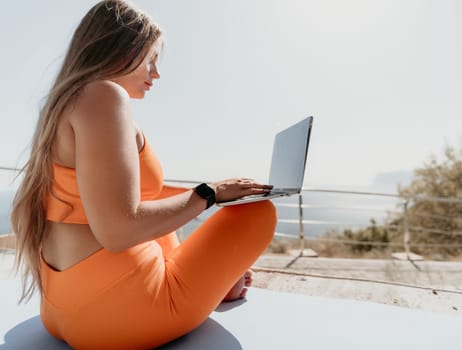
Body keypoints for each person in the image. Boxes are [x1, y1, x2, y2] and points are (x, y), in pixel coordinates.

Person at [10, 1, 278, 348]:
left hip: (62, 307)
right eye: (151, 59)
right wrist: (209, 194)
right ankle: (209, 286)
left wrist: (217, 201)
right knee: (257, 212)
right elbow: (119, 231)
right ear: (122, 52)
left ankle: (213, 283)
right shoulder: (104, 95)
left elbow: (130, 198)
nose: (156, 73)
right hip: (117, 315)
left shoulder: (66, 103)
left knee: (167, 217)